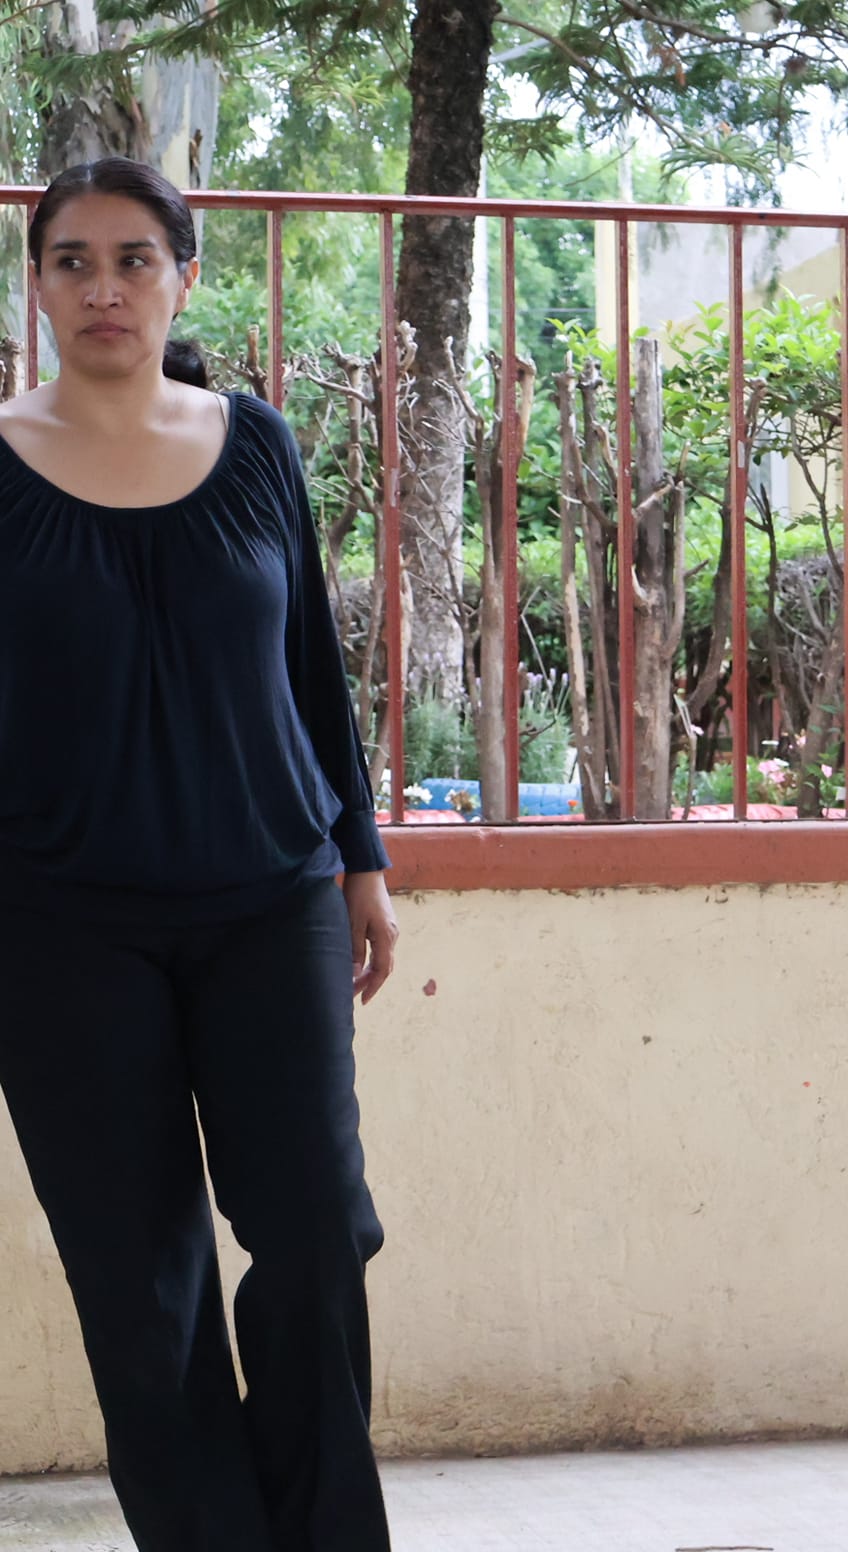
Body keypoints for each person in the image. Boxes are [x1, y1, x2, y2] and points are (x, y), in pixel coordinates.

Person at [0, 158, 399, 1551]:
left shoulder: (257, 444)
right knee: (141, 1283)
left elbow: (311, 667)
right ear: (37, 285)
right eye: (71, 261)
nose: (103, 288)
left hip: (271, 903)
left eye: (133, 258)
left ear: (184, 275)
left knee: (316, 1236)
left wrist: (359, 858)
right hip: (56, 929)